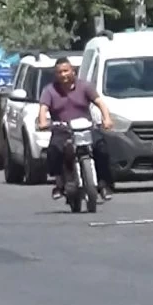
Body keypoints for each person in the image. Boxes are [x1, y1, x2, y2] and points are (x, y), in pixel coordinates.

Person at [36, 58, 115, 201]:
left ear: (73, 71)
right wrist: (42, 122)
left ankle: (104, 185)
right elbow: (43, 108)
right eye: (59, 72)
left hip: (86, 129)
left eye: (66, 71)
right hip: (63, 130)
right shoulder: (49, 90)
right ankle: (59, 183)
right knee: (54, 150)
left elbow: (99, 103)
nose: (63, 75)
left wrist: (107, 118)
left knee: (102, 148)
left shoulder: (85, 86)